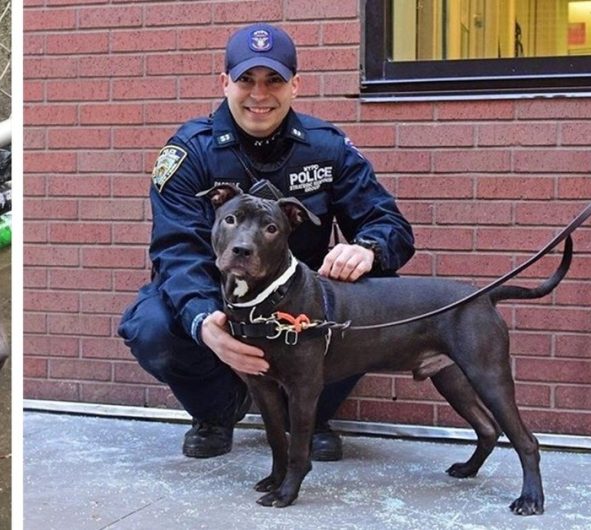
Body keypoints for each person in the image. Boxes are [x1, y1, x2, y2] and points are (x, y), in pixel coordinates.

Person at [118, 23, 414, 460]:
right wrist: (204, 324)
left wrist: (367, 248)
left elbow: (390, 224)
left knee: (376, 288)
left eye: (274, 80)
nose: (260, 94)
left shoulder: (325, 148)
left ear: (295, 85)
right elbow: (177, 253)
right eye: (246, 80)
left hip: (300, 307)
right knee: (153, 327)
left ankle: (309, 416)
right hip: (219, 298)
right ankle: (216, 412)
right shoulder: (191, 152)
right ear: (225, 84)